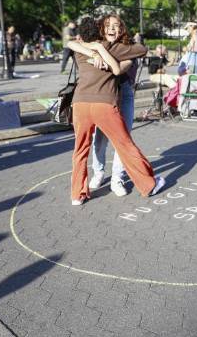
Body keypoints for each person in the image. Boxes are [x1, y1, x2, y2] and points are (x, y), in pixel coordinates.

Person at [67, 14, 164, 205]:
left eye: (117, 26)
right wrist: (98, 49)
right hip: (103, 103)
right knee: (125, 145)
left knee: (80, 150)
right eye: (109, 26)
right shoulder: (112, 48)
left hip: (80, 103)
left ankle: (78, 195)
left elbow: (71, 43)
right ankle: (148, 185)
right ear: (101, 28)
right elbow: (139, 52)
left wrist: (95, 49)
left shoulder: (86, 46)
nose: (113, 29)